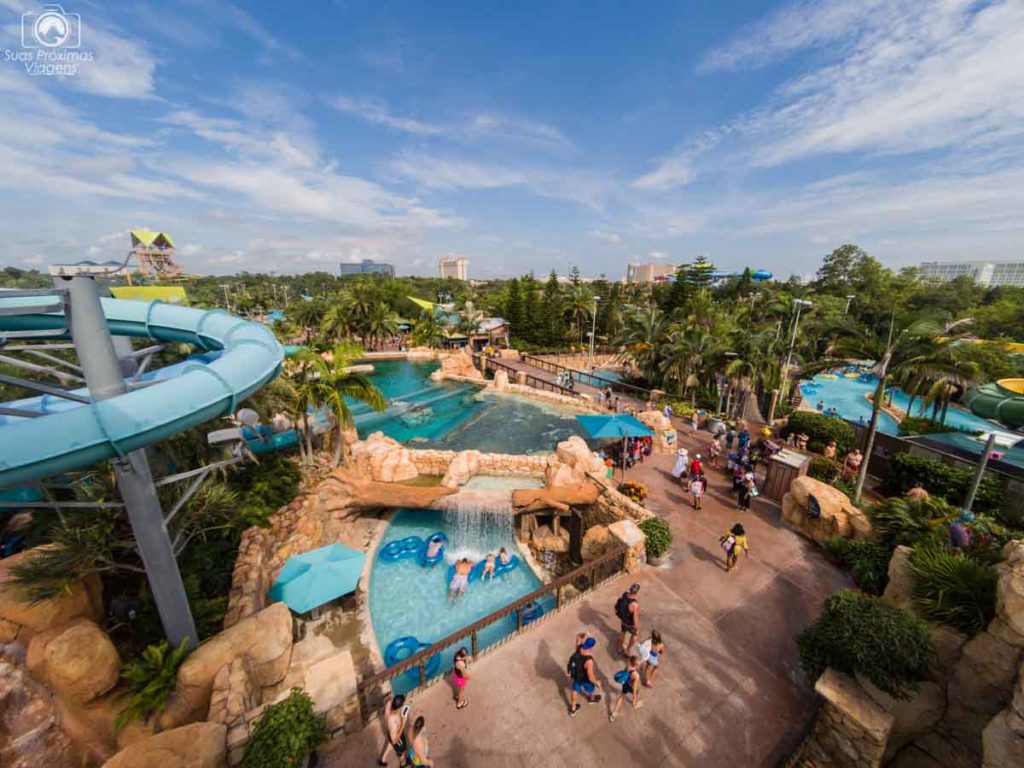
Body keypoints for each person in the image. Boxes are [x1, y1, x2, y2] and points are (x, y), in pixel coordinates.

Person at [567, 636, 602, 715]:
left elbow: (578, 636)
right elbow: (590, 677)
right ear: (592, 647)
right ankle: (591, 699)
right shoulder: (589, 661)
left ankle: (573, 708)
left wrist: (585, 634)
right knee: (590, 688)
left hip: (576, 677)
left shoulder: (578, 647)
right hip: (585, 679)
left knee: (575, 690)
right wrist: (597, 682)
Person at [608, 655, 642, 722]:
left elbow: (624, 672)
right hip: (631, 686)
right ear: (636, 665)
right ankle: (634, 703)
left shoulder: (627, 666)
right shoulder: (636, 676)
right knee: (637, 692)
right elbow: (634, 689)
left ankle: (613, 714)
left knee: (622, 696)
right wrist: (634, 700)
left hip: (625, 683)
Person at [378, 694, 408, 766]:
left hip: (390, 730)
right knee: (400, 749)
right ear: (399, 707)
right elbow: (394, 741)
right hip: (395, 733)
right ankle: (403, 763)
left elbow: (392, 698)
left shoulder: (389, 704)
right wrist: (403, 725)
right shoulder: (393, 721)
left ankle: (382, 759)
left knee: (390, 742)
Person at [615, 583, 641, 656]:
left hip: (623, 621)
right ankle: (627, 649)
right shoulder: (635, 604)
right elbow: (635, 618)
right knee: (635, 636)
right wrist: (637, 628)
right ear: (637, 592)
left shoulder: (625, 595)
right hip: (630, 624)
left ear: (630, 589)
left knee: (622, 632)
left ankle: (619, 648)